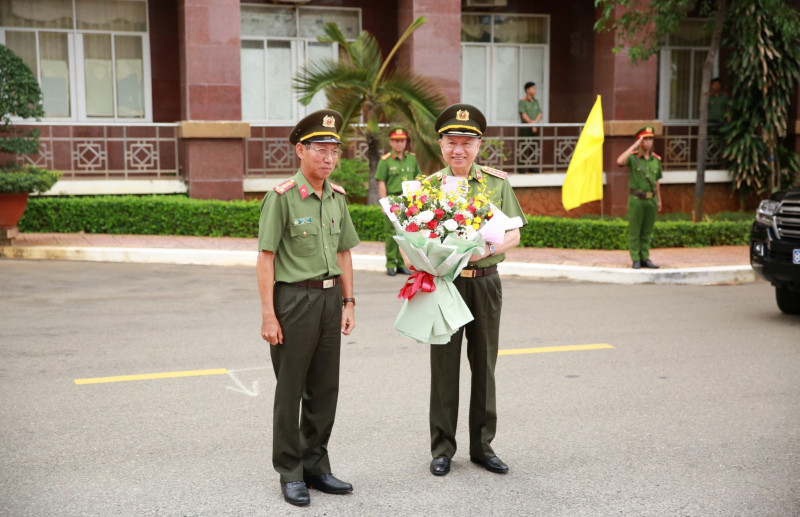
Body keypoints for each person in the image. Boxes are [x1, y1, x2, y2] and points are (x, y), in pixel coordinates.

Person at [256, 109, 360, 507]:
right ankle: (290, 471)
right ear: (301, 150)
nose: (328, 158)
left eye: (334, 150)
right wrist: (269, 314)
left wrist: (349, 302)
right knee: (291, 390)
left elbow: (345, 253)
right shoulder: (280, 198)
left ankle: (317, 465)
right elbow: (266, 258)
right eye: (320, 149)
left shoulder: (337, 198)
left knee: (324, 388)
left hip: (331, 300)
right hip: (294, 300)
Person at [426, 104, 527, 477]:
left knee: (484, 366)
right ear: (441, 144)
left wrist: (487, 249)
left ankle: (483, 447)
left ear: (479, 145)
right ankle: (442, 449)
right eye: (452, 142)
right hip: (446, 285)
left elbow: (514, 232)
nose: (459, 150)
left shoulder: (497, 183)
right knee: (444, 368)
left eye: (466, 143)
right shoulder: (429, 189)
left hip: (485, 282)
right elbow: (416, 237)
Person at [376, 126, 422, 276]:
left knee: (406, 233)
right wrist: (384, 202)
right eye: (396, 141)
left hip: (408, 201)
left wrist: (418, 201)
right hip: (392, 199)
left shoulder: (412, 159)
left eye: (402, 141)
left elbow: (418, 179)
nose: (399, 144)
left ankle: (403, 264)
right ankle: (390, 264)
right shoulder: (386, 161)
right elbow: (381, 181)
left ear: (406, 142)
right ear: (391, 142)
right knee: (391, 233)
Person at [616, 125, 663, 269]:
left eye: (650, 139)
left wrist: (659, 199)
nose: (648, 142)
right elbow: (619, 161)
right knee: (635, 230)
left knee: (647, 231)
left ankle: (645, 258)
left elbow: (656, 181)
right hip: (637, 199)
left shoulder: (655, 160)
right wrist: (634, 145)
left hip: (651, 199)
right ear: (640, 141)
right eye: (645, 139)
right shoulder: (634, 158)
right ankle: (635, 258)